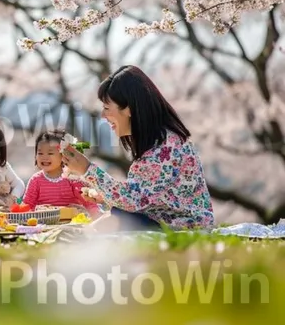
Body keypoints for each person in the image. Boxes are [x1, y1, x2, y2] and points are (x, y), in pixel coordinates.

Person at [61, 65, 215, 231]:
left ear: (128, 109)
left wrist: (87, 170)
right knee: (105, 221)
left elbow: (134, 200)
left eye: (106, 108)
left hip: (185, 227)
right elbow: (145, 195)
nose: (103, 116)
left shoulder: (165, 147)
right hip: (168, 221)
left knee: (105, 225)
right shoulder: (160, 140)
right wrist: (104, 196)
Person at [22, 129, 101, 219]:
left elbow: (90, 204)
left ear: (63, 155)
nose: (44, 157)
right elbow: (27, 206)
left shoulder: (72, 178)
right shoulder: (36, 180)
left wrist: (98, 219)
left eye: (50, 153)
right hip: (44, 225)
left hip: (71, 224)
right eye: (40, 153)